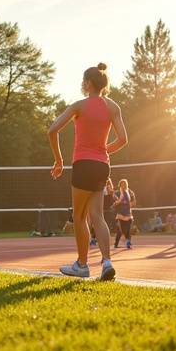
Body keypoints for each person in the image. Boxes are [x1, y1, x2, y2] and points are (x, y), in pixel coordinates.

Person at [48, 62, 128, 281]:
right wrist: (104, 150)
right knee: (98, 216)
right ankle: (107, 262)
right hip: (102, 165)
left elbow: (52, 130)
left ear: (89, 83)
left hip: (83, 165)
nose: (82, 84)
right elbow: (123, 139)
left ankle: (82, 265)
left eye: (84, 81)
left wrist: (59, 160)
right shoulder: (113, 107)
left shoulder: (78, 106)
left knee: (79, 215)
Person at [91, 178, 114, 246]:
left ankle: (102, 240)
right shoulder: (100, 189)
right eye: (106, 182)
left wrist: (110, 191)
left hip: (107, 210)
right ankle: (93, 239)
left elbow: (111, 197)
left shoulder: (110, 190)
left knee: (105, 225)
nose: (107, 183)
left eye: (108, 182)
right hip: (100, 209)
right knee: (96, 224)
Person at [113, 178, 136, 249]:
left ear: (127, 185)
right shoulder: (117, 193)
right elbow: (115, 203)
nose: (123, 185)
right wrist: (118, 202)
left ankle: (128, 242)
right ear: (119, 185)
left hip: (128, 214)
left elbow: (134, 202)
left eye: (125, 184)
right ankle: (116, 244)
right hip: (120, 214)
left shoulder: (130, 192)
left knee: (129, 229)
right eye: (122, 184)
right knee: (121, 230)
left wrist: (128, 205)